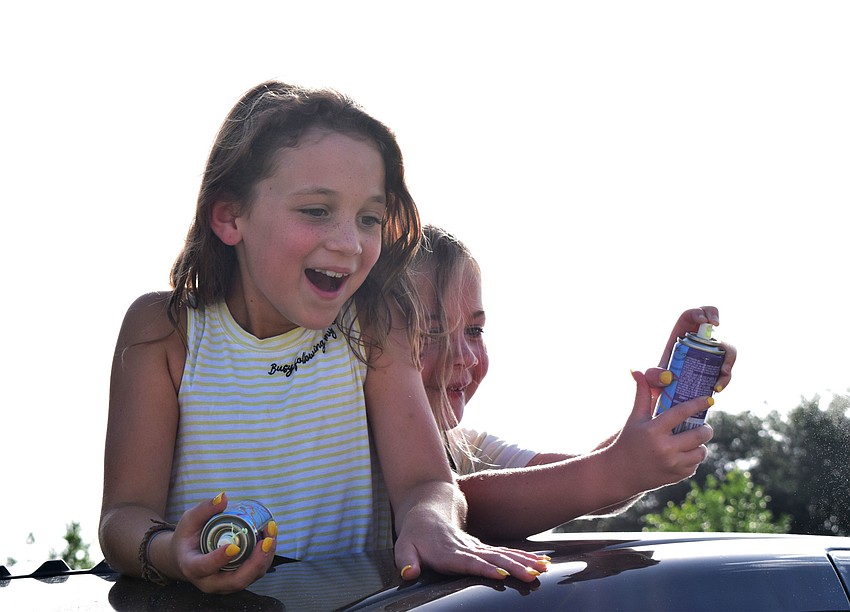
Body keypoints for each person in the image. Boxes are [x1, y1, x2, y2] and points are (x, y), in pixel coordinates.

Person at [98, 82, 548, 595]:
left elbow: (427, 483)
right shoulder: (165, 332)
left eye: (369, 219)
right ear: (229, 216)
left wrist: (431, 520)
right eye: (316, 211)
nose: (350, 243)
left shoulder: (375, 326)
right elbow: (123, 517)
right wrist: (169, 552)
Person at [410, 224, 737, 540]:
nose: (465, 356)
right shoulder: (366, 452)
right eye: (432, 330)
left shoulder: (465, 446)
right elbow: (467, 505)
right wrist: (621, 468)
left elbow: (575, 481)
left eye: (474, 331)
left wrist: (658, 414)